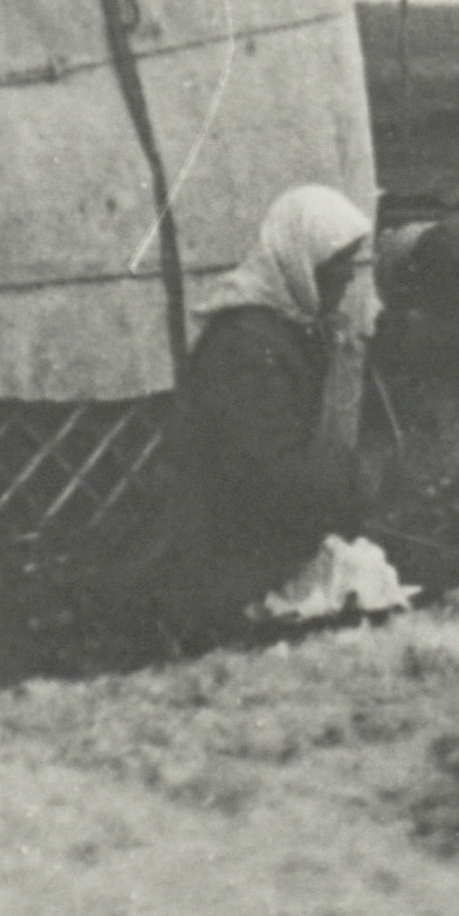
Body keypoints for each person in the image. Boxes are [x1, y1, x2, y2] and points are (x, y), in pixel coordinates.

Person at [136, 184, 382, 648]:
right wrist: (348, 484)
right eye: (337, 268)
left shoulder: (284, 329)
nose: (348, 279)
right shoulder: (248, 347)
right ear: (301, 263)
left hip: (251, 528)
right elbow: (264, 467)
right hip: (221, 546)